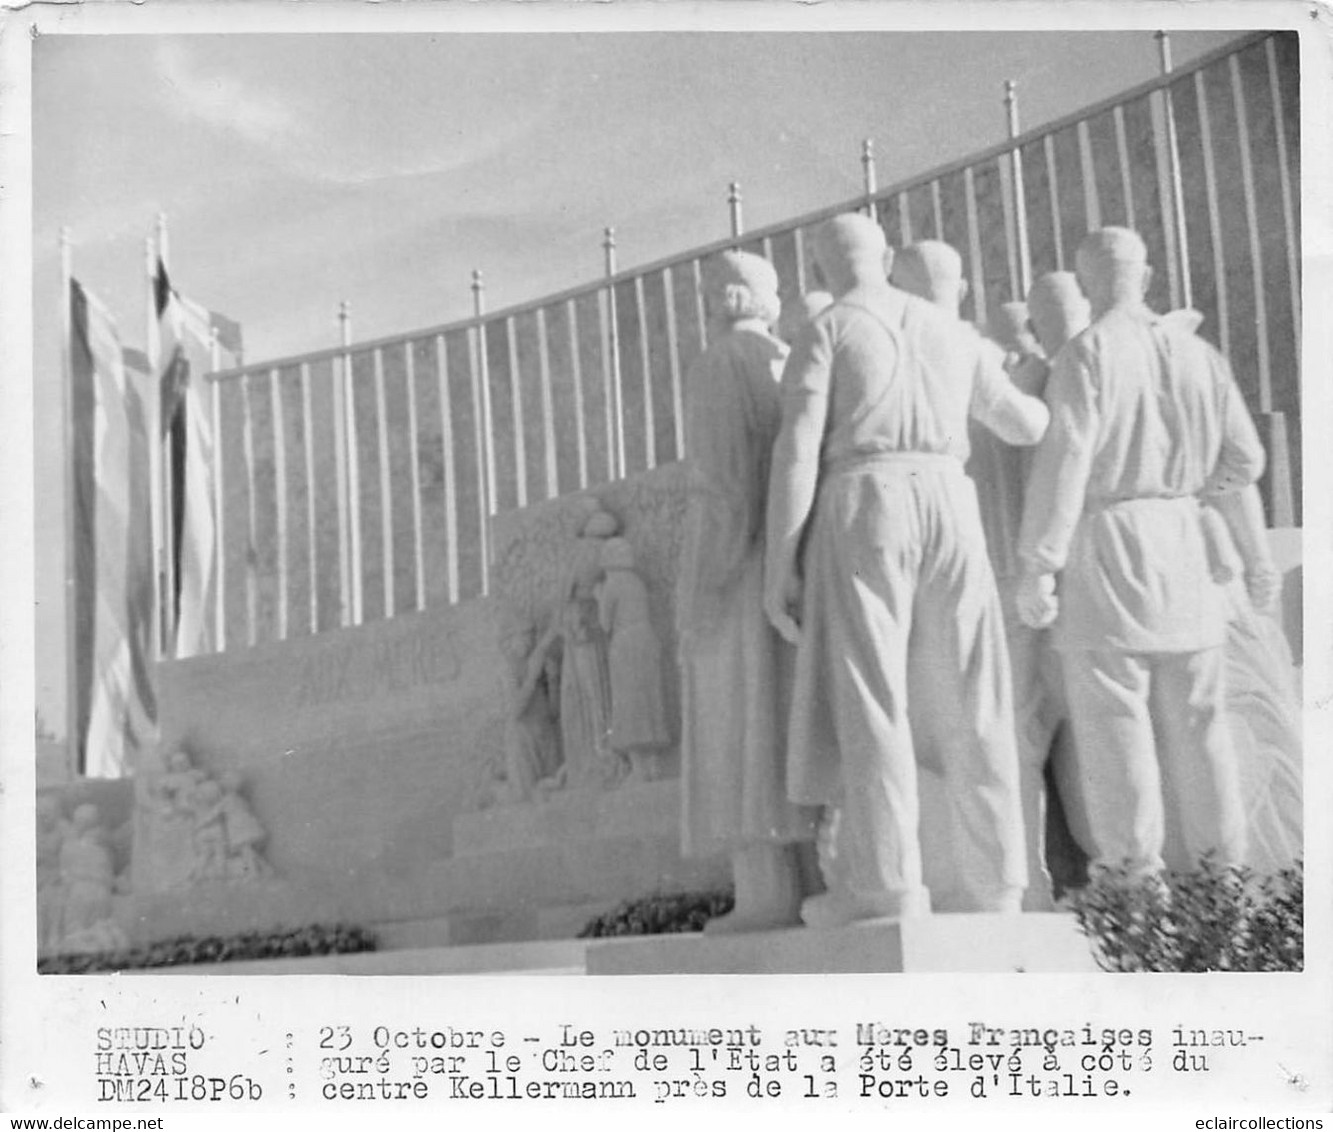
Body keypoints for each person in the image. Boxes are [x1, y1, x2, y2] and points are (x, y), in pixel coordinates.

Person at [765, 214, 1048, 926]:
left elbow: (797, 449)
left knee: (874, 699)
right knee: (976, 694)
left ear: (823, 267)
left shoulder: (825, 330)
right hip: (950, 498)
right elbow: (1025, 424)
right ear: (886, 256)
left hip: (863, 499)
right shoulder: (951, 330)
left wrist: (780, 562)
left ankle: (890, 886)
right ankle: (998, 882)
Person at [1015, 227, 1266, 881]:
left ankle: (1134, 880)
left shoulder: (1085, 353)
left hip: (1108, 546)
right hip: (1181, 542)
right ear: (1147, 278)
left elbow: (1065, 461)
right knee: (1200, 722)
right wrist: (1185, 493)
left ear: (1086, 281)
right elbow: (1245, 458)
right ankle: (1223, 880)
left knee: (1112, 720)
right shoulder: (1198, 355)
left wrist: (1038, 563)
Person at [891, 244, 1085, 909]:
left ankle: (1023, 883)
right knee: (1016, 737)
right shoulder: (986, 362)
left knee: (1008, 736)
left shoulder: (908, 350)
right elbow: (1032, 430)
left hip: (985, 582)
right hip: (1012, 578)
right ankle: (1022, 883)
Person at [677, 251, 818, 933]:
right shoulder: (786, 356)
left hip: (737, 573)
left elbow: (723, 488)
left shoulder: (718, 364)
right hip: (788, 564)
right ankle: (809, 885)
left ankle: (764, 897)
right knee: (787, 728)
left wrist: (701, 588)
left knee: (742, 732)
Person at [597, 537, 672, 782]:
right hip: (647, 638)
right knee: (647, 700)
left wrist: (599, 597)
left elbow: (605, 623)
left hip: (626, 642)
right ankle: (652, 764)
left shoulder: (612, 584)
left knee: (629, 703)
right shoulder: (637, 582)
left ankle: (639, 767)